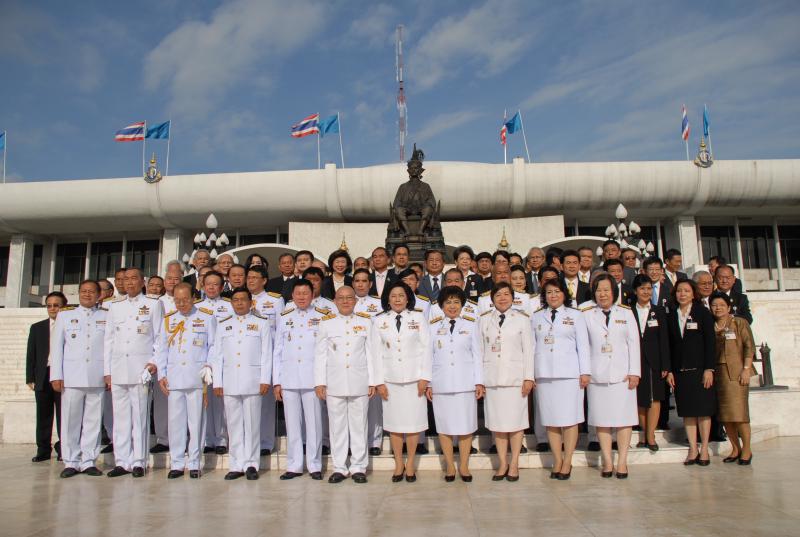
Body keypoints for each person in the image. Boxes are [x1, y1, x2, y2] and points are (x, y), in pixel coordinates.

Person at [104, 268, 164, 478]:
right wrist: (107, 371)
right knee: (120, 418)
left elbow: (160, 337)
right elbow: (109, 340)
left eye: (134, 279)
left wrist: (153, 362)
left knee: (140, 417)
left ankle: (139, 461)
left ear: (142, 281)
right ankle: (122, 461)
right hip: (118, 368)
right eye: (126, 279)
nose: (129, 283)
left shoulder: (154, 304)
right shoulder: (115, 306)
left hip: (141, 370)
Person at [209, 287, 272, 480]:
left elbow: (266, 354)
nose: (239, 303)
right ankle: (236, 464)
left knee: (252, 425)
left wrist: (265, 379)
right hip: (230, 381)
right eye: (235, 300)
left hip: (252, 380)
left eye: (243, 299)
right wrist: (217, 381)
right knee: (233, 424)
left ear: (251, 302)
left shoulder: (261, 323)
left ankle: (251, 464)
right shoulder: (223, 324)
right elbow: (217, 355)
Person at [371, 281, 431, 483]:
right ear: (387, 299)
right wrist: (379, 382)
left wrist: (424, 377)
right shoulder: (379, 320)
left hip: (415, 380)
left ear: (408, 299)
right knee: (394, 424)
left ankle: (411, 463)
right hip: (390, 381)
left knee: (413, 424)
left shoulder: (418, 318)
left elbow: (427, 348)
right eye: (393, 296)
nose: (397, 299)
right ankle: (398, 463)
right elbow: (375, 353)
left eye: (401, 296)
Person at [314, 286, 375, 484]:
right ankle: (339, 467)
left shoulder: (365, 322)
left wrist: (372, 381)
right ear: (335, 301)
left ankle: (359, 467)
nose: (346, 301)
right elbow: (320, 354)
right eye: (341, 298)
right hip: (335, 382)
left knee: (359, 426)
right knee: (337, 427)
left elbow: (371, 354)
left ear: (355, 301)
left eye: (349, 298)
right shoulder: (326, 323)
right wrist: (320, 382)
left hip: (359, 381)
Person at [155, 283, 216, 479]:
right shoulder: (168, 320)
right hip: (174, 378)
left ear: (194, 298)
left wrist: (209, 366)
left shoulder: (206, 317)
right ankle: (177, 463)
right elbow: (161, 349)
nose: (181, 304)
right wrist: (162, 374)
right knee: (176, 423)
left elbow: (214, 346)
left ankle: (195, 463)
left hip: (197, 378)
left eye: (185, 299)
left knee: (196, 422)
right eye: (177, 300)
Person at [583, 274, 640, 479]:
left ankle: (622, 461)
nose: (603, 294)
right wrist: (585, 371)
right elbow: (583, 346)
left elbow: (634, 343)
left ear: (614, 292)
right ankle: (607, 461)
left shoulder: (625, 312)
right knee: (602, 420)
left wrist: (635, 372)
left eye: (606, 290)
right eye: (599, 290)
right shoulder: (586, 313)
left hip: (622, 375)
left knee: (624, 419)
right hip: (597, 375)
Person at [533, 279, 590, 480]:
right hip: (545, 375)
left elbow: (583, 345)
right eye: (549, 292)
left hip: (569, 375)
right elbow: (532, 346)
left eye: (557, 291)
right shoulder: (537, 316)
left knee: (569, 419)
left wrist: (585, 372)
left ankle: (567, 460)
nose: (553, 295)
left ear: (564, 294)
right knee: (551, 420)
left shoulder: (575, 315)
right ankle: (557, 459)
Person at [479, 282, 534, 481]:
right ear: (492, 299)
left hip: (515, 379)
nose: (502, 298)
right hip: (492, 379)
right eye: (498, 295)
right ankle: (502, 463)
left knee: (516, 423)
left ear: (512, 297)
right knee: (498, 424)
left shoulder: (522, 319)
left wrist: (529, 377)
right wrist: (479, 380)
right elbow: (479, 351)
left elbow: (529, 350)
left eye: (506, 294)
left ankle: (515, 463)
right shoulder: (484, 320)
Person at [273, 279, 327, 480]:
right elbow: (278, 350)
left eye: (306, 293)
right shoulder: (285, 316)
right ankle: (294, 465)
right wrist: (277, 381)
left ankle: (314, 465)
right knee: (292, 424)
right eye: (298, 293)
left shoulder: (322, 316)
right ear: (292, 296)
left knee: (314, 423)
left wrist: (323, 380)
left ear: (312, 295)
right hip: (289, 378)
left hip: (312, 379)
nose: (302, 297)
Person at [49, 283, 104, 477]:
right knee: (70, 421)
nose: (87, 295)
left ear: (99, 295)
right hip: (72, 376)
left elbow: (110, 347)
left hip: (97, 376)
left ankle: (89, 461)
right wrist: (56, 375)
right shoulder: (65, 316)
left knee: (93, 422)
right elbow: (57, 348)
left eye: (91, 292)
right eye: (84, 291)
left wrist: (109, 373)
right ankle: (70, 461)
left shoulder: (106, 316)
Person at [428, 286, 483, 482]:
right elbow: (428, 357)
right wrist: (429, 383)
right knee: (444, 426)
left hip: (465, 383)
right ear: (441, 305)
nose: (452, 306)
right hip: (441, 383)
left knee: (466, 426)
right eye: (448, 302)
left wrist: (479, 382)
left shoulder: (471, 325)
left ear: (462, 305)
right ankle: (450, 466)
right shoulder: (432, 327)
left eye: (456, 302)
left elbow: (477, 355)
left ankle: (464, 466)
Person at [667, 279, 716, 466]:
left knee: (703, 411)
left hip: (700, 370)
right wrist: (670, 370)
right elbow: (669, 345)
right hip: (681, 371)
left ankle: (704, 448)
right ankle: (693, 448)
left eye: (686, 291)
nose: (682, 294)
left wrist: (709, 368)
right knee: (687, 411)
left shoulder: (702, 313)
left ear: (693, 294)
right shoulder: (671, 315)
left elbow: (710, 343)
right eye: (679, 291)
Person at [710, 292, 756, 465]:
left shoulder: (739, 322)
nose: (718, 308)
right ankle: (735, 448)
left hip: (736, 373)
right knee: (726, 415)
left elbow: (749, 346)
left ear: (729, 307)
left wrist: (746, 369)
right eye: (714, 305)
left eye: (722, 305)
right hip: (719, 374)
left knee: (740, 414)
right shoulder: (711, 325)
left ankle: (747, 449)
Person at [630, 275, 671, 451]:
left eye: (648, 289)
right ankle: (644, 431)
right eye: (642, 289)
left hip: (655, 360)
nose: (646, 292)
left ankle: (651, 435)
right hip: (635, 359)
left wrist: (666, 365)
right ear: (635, 291)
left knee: (655, 397)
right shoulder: (628, 311)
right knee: (640, 398)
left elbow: (664, 339)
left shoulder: (659, 311)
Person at [196, 271, 235, 455]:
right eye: (208, 284)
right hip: (201, 358)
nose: (211, 287)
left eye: (215, 284)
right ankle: (206, 439)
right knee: (204, 400)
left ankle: (221, 438)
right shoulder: (196, 306)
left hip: (223, 357)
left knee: (219, 400)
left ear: (221, 287)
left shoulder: (229, 305)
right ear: (203, 286)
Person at [247, 265, 284, 456]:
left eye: (255, 277)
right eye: (249, 277)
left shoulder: (275, 300)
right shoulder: (240, 299)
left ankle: (265, 442)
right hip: (247, 358)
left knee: (266, 404)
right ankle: (248, 441)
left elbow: (281, 329)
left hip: (268, 355)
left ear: (264, 280)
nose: (250, 280)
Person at [26, 291, 67, 463]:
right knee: (43, 415)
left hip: (63, 376)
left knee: (63, 415)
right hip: (43, 375)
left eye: (56, 305)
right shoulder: (37, 327)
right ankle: (43, 449)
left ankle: (64, 449)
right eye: (49, 305)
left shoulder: (69, 325)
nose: (52, 308)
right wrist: (30, 377)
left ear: (63, 307)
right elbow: (31, 353)